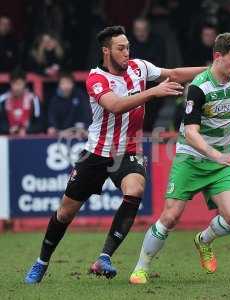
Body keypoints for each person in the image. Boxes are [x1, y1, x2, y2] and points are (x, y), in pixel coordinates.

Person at [24, 25, 206, 284]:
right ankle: (41, 262)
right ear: (106, 51)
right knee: (65, 213)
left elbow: (174, 73)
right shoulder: (95, 79)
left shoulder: (139, 67)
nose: (127, 53)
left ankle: (104, 258)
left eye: (128, 47)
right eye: (121, 48)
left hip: (128, 150)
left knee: (135, 190)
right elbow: (116, 106)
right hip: (96, 154)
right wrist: (153, 92)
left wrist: (211, 71)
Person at [129, 32, 230, 284]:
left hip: (222, 160)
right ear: (218, 57)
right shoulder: (198, 87)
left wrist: (223, 155)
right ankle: (141, 267)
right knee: (170, 216)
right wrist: (217, 155)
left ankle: (203, 240)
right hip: (193, 158)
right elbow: (192, 133)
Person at [0, 70, 44, 135]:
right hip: (7, 137)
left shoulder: (34, 99)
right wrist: (8, 129)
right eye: (14, 84)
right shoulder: (2, 99)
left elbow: (40, 123)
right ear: (10, 84)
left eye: (19, 84)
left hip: (29, 137)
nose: (16, 87)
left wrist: (27, 130)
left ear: (25, 83)